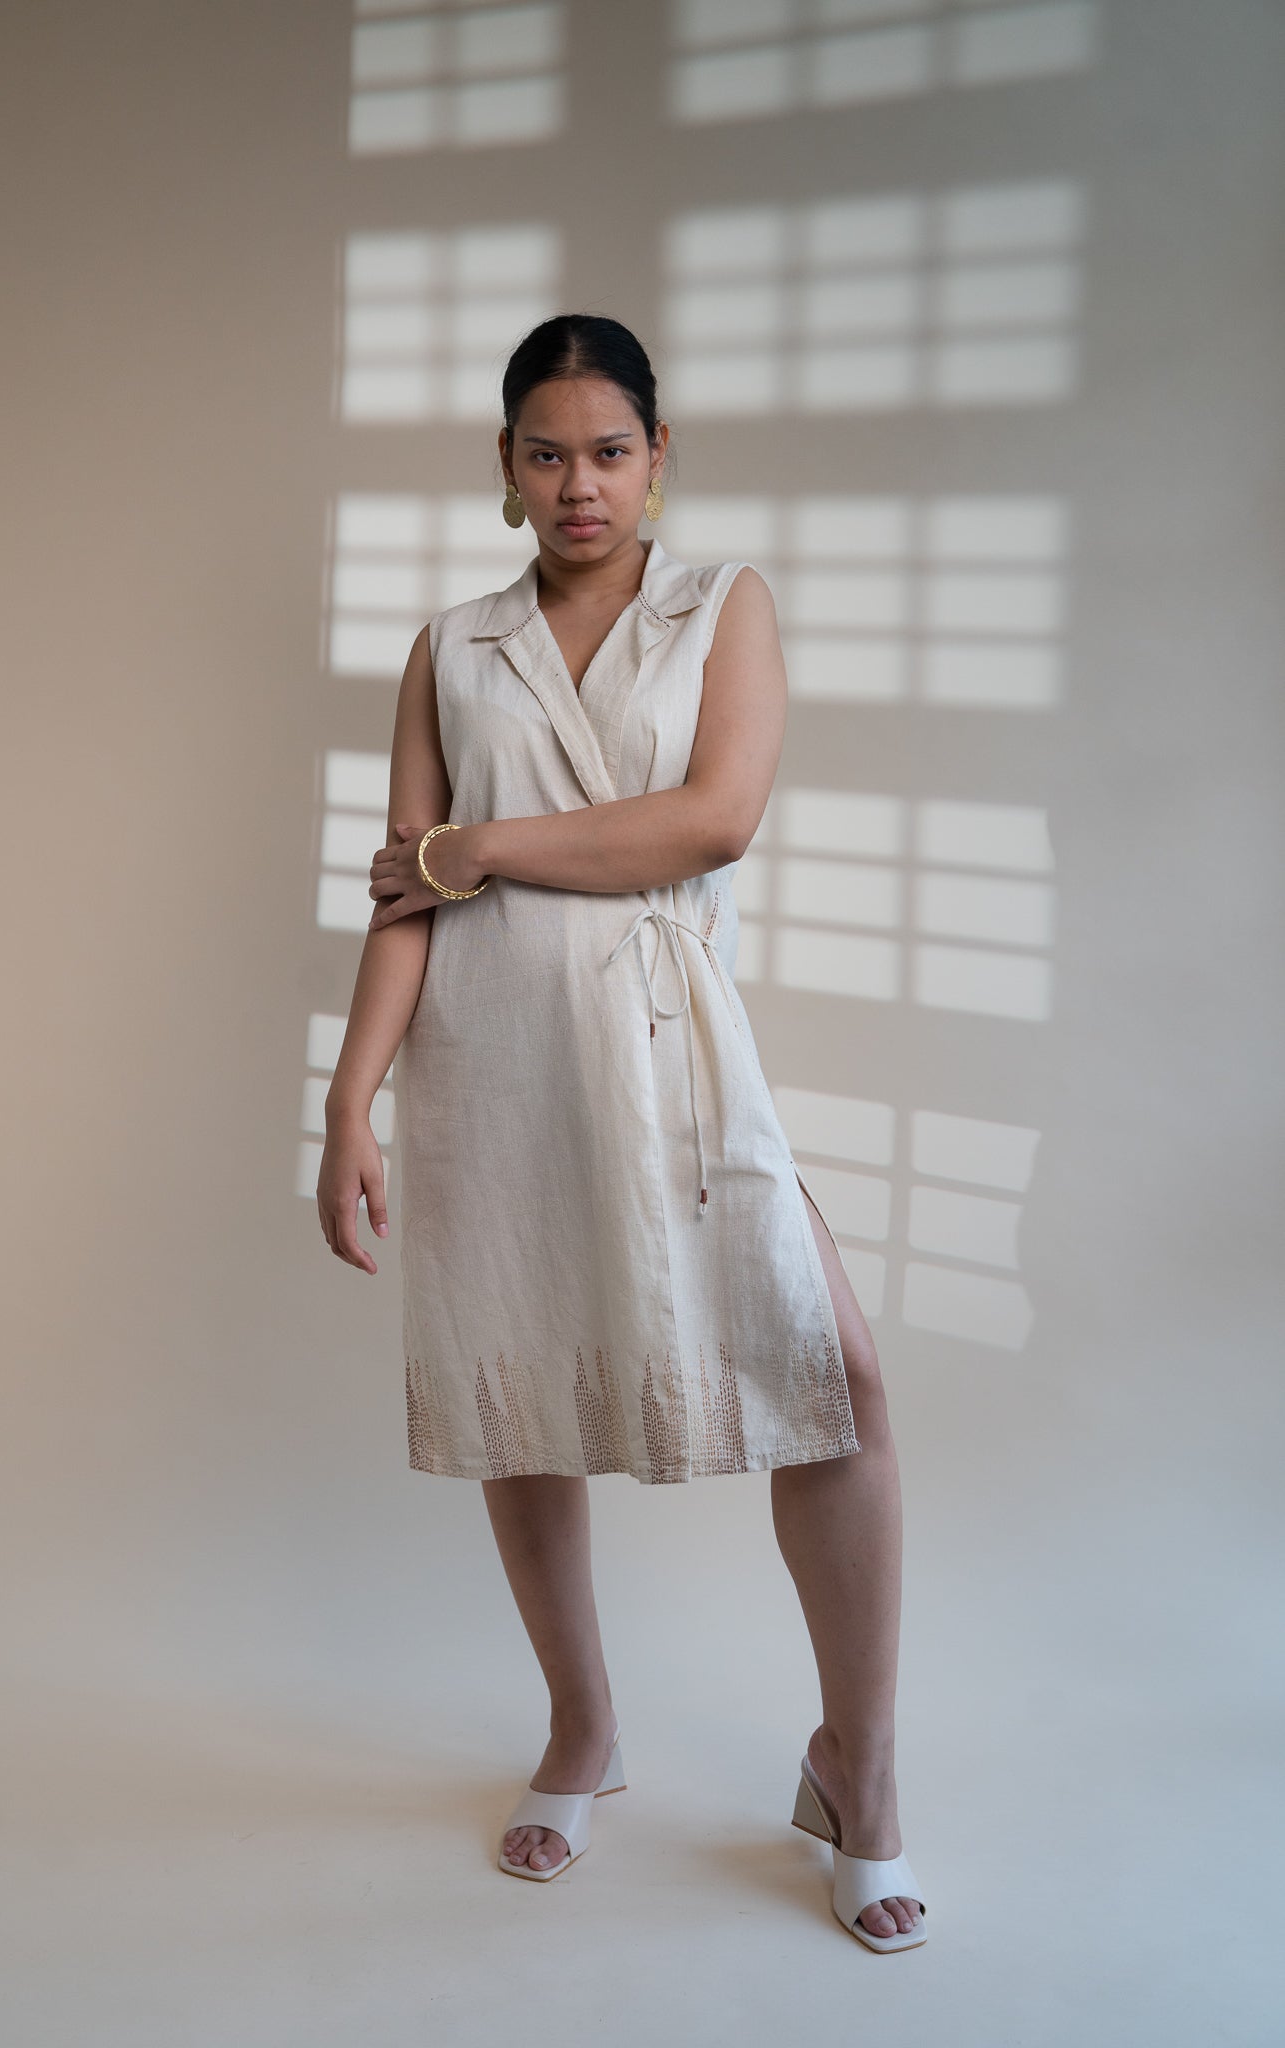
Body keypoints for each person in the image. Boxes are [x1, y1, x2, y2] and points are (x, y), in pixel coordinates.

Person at [317, 314, 926, 1951]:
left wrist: (476, 846)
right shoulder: (452, 647)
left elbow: (711, 820)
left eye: (607, 451)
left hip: (669, 1048)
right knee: (520, 1393)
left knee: (838, 1381)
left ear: (657, 460)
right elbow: (400, 895)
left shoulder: (721, 607)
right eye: (545, 454)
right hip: (489, 1055)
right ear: (505, 470)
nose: (577, 484)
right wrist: (350, 1096)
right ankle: (582, 1728)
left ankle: (859, 1768)